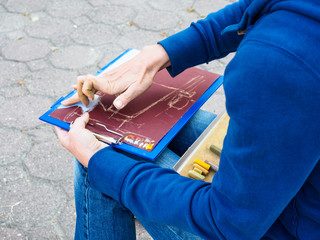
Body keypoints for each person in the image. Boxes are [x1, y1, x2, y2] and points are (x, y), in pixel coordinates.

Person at [55, 0, 320, 239]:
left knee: (101, 160)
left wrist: (103, 165)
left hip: (269, 224)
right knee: (146, 125)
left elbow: (227, 224)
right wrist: (157, 56)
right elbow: (258, 7)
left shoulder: (273, 66)